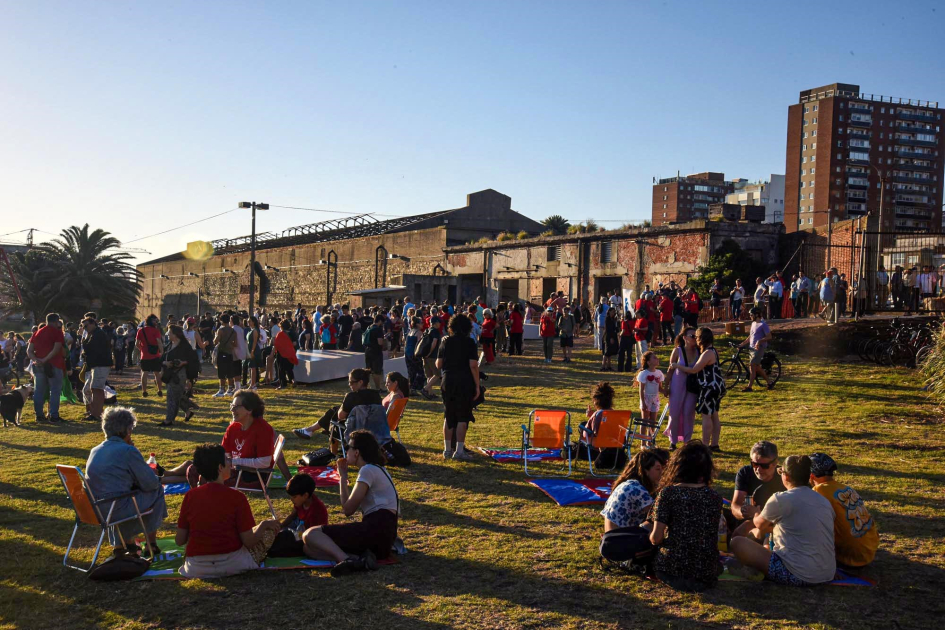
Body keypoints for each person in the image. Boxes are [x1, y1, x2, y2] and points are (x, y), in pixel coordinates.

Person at [301, 430, 399, 577]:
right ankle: (360, 560)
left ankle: (346, 560)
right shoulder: (377, 469)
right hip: (384, 539)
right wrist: (343, 476)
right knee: (309, 549)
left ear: (357, 452)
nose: (345, 451)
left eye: (348, 447)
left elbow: (348, 510)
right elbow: (348, 507)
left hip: (376, 531)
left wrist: (342, 477)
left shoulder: (368, 470)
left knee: (310, 534)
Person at [176, 443, 281, 578]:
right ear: (220, 467)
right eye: (226, 460)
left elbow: (180, 540)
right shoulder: (237, 497)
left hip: (196, 567)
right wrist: (264, 525)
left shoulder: (190, 496)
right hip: (233, 563)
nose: (230, 462)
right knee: (268, 532)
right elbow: (249, 541)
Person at [730, 455, 836, 586]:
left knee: (737, 542)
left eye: (780, 472)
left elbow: (759, 524)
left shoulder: (781, 499)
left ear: (786, 476)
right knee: (769, 536)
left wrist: (755, 512)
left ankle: (753, 569)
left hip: (797, 574)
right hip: (827, 573)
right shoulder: (823, 501)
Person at [86, 407, 167, 557]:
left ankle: (122, 544)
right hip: (116, 508)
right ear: (128, 430)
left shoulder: (95, 450)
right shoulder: (127, 451)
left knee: (123, 496)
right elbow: (150, 483)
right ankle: (151, 544)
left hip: (95, 508)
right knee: (157, 489)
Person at [649, 441, 723, 591]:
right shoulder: (714, 496)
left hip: (672, 569)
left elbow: (656, 538)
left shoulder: (668, 494)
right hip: (706, 572)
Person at [809, 453, 879, 569]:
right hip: (869, 548)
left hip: (851, 557)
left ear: (811, 475)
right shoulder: (845, 487)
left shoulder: (819, 490)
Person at [670, 327, 724, 452]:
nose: (696, 339)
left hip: (709, 387)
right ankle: (714, 444)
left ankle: (705, 444)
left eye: (697, 337)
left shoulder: (707, 353)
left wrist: (677, 366)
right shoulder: (713, 350)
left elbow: (694, 370)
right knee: (714, 415)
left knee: (707, 416)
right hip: (716, 386)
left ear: (702, 338)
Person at [293, 368, 383, 441]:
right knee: (335, 410)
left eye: (351, 382)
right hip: (374, 430)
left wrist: (342, 406)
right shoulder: (376, 395)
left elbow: (340, 416)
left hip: (354, 431)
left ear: (360, 382)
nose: (349, 385)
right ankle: (309, 430)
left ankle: (312, 432)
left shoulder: (352, 396)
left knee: (334, 417)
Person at [437, 314, 481, 461]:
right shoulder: (469, 342)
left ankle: (447, 450)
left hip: (448, 380)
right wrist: (477, 385)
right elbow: (473, 365)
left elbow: (438, 364)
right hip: (464, 380)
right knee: (463, 415)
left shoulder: (445, 341)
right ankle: (459, 450)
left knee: (449, 414)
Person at [601, 448, 669, 532]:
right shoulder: (638, 490)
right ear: (645, 471)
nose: (662, 472)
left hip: (611, 535)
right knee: (655, 521)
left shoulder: (629, 483)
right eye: (658, 469)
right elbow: (659, 515)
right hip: (620, 537)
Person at [729, 441, 785, 538]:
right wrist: (744, 512)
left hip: (776, 525)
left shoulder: (784, 477)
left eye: (764, 466)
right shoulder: (745, 472)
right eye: (754, 464)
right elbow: (735, 505)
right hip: (753, 521)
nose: (758, 469)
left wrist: (755, 517)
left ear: (775, 463)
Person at [269, 473, 329, 558]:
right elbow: (292, 516)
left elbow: (314, 536)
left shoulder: (316, 511)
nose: (291, 499)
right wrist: (280, 527)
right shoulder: (301, 502)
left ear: (305, 495)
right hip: (300, 526)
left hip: (312, 534)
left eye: (294, 497)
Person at [664, 328, 698, 449]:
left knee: (689, 412)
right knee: (675, 412)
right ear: (685, 338)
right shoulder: (677, 350)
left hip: (692, 386)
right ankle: (673, 441)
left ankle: (687, 441)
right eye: (692, 336)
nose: (695, 338)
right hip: (677, 384)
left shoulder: (699, 351)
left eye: (696, 336)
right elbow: (670, 370)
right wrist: (666, 386)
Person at [580, 381, 624, 470]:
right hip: (614, 443)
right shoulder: (616, 414)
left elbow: (596, 434)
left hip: (599, 445)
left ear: (596, 401)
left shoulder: (597, 415)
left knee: (582, 425)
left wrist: (591, 418)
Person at [161, 325, 199, 426]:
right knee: (177, 396)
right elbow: (162, 358)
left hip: (179, 375)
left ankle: (169, 420)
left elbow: (193, 360)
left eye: (170, 333)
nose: (168, 334)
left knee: (171, 397)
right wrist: (165, 363)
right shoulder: (169, 345)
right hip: (169, 374)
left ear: (176, 335)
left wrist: (183, 363)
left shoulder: (185, 346)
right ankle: (188, 411)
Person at [80, 316, 111, 422]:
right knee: (95, 388)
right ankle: (96, 412)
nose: (85, 329)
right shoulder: (96, 333)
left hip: (100, 364)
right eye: (83, 327)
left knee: (96, 389)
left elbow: (89, 348)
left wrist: (84, 340)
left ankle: (96, 414)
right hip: (98, 365)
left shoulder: (97, 334)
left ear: (93, 324)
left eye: (86, 326)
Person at [739, 307, 773, 392]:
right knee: (756, 367)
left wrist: (759, 341)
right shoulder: (753, 323)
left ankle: (749, 387)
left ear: (756, 315)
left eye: (751, 315)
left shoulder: (763, 324)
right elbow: (751, 336)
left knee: (752, 366)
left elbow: (769, 336)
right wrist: (742, 344)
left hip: (759, 348)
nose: (750, 316)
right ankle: (769, 383)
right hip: (751, 348)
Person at [636, 351, 664, 440]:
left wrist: (667, 392)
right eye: (654, 358)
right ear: (648, 362)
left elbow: (660, 388)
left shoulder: (659, 373)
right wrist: (643, 402)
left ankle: (650, 441)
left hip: (655, 398)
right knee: (644, 421)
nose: (657, 359)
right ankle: (643, 442)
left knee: (653, 421)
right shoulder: (644, 374)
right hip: (646, 398)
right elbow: (641, 390)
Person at [136, 315, 164, 398]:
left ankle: (144, 391)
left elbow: (136, 343)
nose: (156, 322)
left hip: (144, 355)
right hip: (155, 355)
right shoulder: (156, 331)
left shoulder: (141, 330)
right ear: (152, 321)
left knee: (144, 373)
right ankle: (159, 390)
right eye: (155, 321)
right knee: (157, 373)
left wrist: (142, 349)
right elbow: (159, 341)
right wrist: (162, 352)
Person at [212, 314, 238, 397]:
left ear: (221, 321)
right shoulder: (233, 331)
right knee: (230, 372)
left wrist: (216, 336)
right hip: (230, 353)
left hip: (222, 352)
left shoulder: (221, 330)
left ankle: (221, 390)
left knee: (221, 372)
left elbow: (215, 341)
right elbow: (235, 344)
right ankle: (230, 389)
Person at [420, 315, 443, 400]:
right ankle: (425, 389)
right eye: (439, 322)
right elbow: (434, 343)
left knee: (429, 375)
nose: (440, 324)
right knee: (437, 374)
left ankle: (430, 393)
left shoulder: (427, 330)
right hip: (432, 356)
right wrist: (429, 353)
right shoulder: (435, 331)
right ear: (435, 323)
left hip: (424, 356)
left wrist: (426, 354)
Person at [273, 319, 299, 390]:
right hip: (290, 353)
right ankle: (293, 380)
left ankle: (283, 384)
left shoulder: (280, 334)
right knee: (289, 369)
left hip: (281, 354)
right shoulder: (293, 333)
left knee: (281, 370)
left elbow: (276, 344)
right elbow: (295, 343)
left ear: (281, 326)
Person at [363, 314, 387, 390]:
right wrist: (385, 340)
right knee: (376, 371)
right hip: (376, 351)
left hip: (367, 350)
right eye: (382, 322)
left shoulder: (369, 327)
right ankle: (378, 388)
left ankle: (365, 387)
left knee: (368, 370)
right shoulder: (378, 329)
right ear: (380, 321)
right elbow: (380, 342)